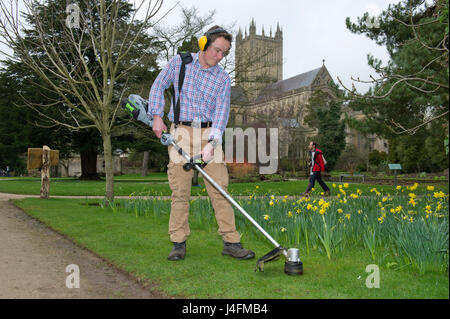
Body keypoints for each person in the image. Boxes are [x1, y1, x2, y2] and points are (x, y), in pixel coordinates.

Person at [148, 26, 255, 261]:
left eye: (224, 53)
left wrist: (212, 144)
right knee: (180, 191)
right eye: (217, 50)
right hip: (181, 133)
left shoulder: (222, 79)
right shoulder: (180, 63)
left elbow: (221, 114)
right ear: (204, 44)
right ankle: (178, 242)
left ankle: (231, 242)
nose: (220, 57)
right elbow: (158, 85)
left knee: (220, 190)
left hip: (209, 133)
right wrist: (156, 114)